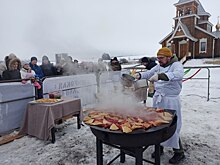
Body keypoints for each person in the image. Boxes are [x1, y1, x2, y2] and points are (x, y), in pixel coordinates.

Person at [134, 47, 185, 164]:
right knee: (157, 123)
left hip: (171, 100)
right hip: (159, 99)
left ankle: (179, 152)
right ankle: (159, 147)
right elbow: (149, 73)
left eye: (161, 58)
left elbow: (178, 75)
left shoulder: (176, 65)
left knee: (172, 125)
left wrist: (160, 76)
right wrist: (139, 75)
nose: (159, 60)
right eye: (158, 58)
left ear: (168, 57)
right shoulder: (158, 66)